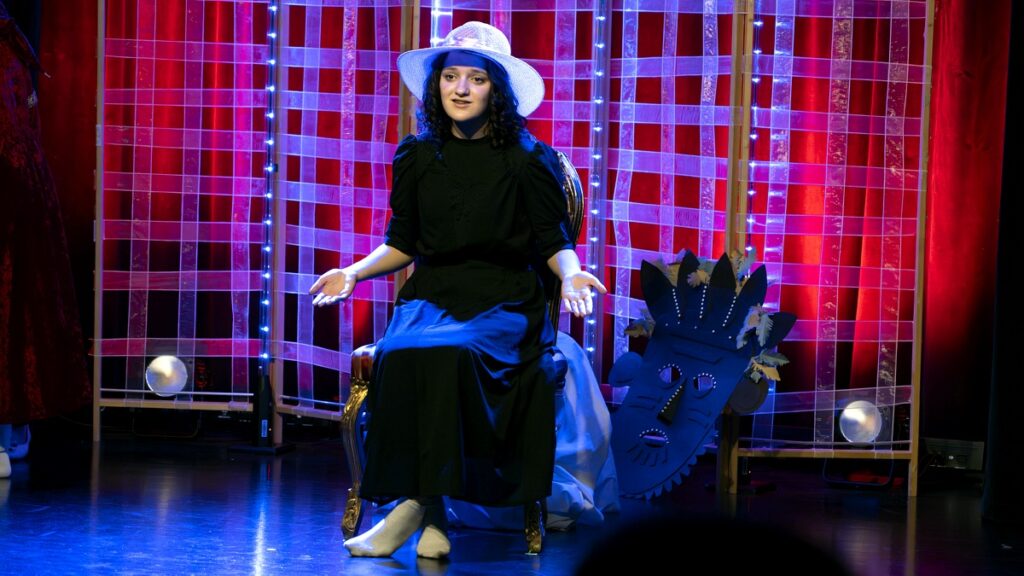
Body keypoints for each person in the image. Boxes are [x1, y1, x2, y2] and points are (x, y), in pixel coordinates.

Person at [308, 21, 606, 558]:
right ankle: (430, 511)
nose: (461, 89)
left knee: (455, 351)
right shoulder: (417, 155)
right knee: (403, 351)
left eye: (476, 79)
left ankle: (414, 509)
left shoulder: (528, 158)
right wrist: (353, 272)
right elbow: (402, 242)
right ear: (436, 84)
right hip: (433, 294)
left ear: (497, 90)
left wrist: (569, 273)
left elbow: (552, 240)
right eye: (450, 77)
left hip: (506, 298)